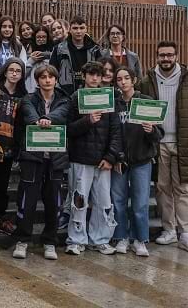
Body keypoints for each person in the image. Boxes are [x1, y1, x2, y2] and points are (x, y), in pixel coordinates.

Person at [139, 40, 188, 254]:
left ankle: (186, 234)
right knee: (161, 189)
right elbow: (139, 109)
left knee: (183, 189)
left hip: (183, 144)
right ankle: (168, 230)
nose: (166, 59)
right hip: (157, 143)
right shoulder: (146, 81)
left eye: (170, 55)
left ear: (176, 56)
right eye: (162, 55)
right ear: (156, 57)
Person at [10, 65, 69, 261]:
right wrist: (37, 120)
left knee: (54, 202)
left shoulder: (64, 99)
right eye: (42, 77)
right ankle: (22, 240)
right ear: (37, 80)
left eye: (50, 76)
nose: (46, 80)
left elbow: (62, 114)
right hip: (32, 158)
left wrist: (47, 119)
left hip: (55, 159)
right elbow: (27, 113)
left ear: (55, 79)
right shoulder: (29, 98)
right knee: (27, 201)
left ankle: (50, 242)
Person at [64, 61, 122, 256]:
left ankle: (101, 239)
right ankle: (76, 239)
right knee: (78, 201)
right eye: (91, 74)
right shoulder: (75, 98)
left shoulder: (109, 98)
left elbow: (116, 131)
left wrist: (111, 156)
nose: (94, 78)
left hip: (102, 161)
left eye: (98, 74)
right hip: (80, 159)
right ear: (84, 76)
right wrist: (87, 121)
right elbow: (68, 129)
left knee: (104, 202)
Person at [111, 67, 164, 257]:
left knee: (140, 203)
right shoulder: (114, 104)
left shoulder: (146, 102)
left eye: (126, 78)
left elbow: (159, 135)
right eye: (119, 79)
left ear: (134, 80)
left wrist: (151, 130)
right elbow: (110, 134)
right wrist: (115, 156)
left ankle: (140, 239)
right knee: (118, 201)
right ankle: (121, 237)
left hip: (142, 160)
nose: (123, 82)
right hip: (119, 161)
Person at [0, 58, 27, 233]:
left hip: (8, 147)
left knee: (2, 185)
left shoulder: (23, 97)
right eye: (11, 70)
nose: (14, 73)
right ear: (5, 71)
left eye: (18, 71)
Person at [49, 16, 102, 96]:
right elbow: (52, 71)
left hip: (90, 94)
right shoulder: (59, 49)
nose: (78, 31)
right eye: (75, 28)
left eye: (81, 28)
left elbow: (101, 72)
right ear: (69, 29)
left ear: (86, 29)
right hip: (65, 94)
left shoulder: (95, 49)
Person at [24, 25, 53, 93]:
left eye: (44, 37)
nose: (41, 39)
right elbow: (23, 74)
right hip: (31, 90)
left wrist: (46, 55)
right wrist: (31, 61)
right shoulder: (28, 52)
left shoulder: (53, 53)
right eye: (38, 37)